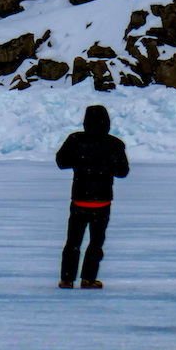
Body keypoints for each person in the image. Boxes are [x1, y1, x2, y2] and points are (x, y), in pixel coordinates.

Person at [55, 104, 129, 289]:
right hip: (102, 202)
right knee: (96, 242)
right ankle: (88, 279)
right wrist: (106, 164)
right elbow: (122, 171)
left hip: (79, 199)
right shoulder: (115, 144)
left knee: (73, 241)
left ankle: (67, 279)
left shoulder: (75, 140)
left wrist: (81, 160)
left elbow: (61, 162)